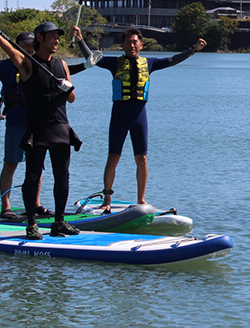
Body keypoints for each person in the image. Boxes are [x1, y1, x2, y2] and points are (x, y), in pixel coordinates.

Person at [73, 26, 206, 213]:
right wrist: (80, 40)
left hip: (139, 117)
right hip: (119, 116)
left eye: (135, 42)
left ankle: (141, 199)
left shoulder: (149, 63)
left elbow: (172, 60)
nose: (132, 45)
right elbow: (92, 59)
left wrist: (193, 50)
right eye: (128, 42)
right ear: (123, 45)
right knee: (113, 158)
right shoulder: (114, 63)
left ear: (141, 45)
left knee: (142, 159)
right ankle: (107, 199)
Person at [0, 31, 92, 218]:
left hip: (39, 121)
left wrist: (85, 66)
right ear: (17, 45)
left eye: (32, 45)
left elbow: (61, 73)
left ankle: (36, 204)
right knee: (11, 163)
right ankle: (6, 207)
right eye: (25, 45)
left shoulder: (41, 64)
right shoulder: (10, 65)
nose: (30, 49)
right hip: (16, 118)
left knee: (36, 167)